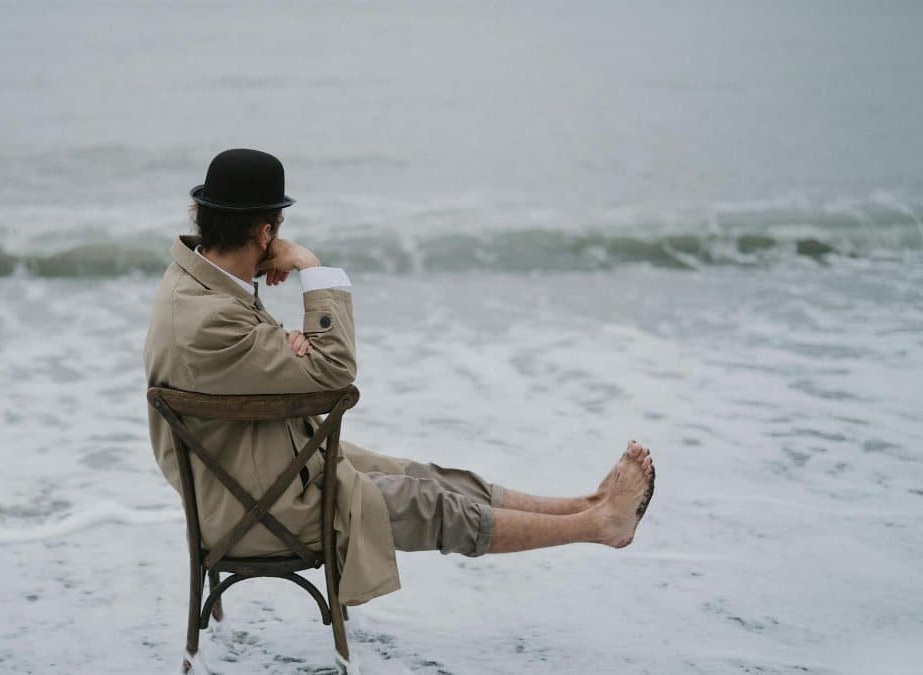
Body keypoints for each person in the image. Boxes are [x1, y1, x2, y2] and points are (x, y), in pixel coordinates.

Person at [144, 148, 655, 607]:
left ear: (205, 220)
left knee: (423, 476)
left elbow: (303, 367)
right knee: (431, 505)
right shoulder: (212, 317)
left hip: (261, 468)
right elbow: (334, 374)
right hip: (257, 511)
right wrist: (311, 268)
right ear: (265, 232)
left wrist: (299, 355)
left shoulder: (194, 282)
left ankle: (585, 504)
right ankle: (598, 526)